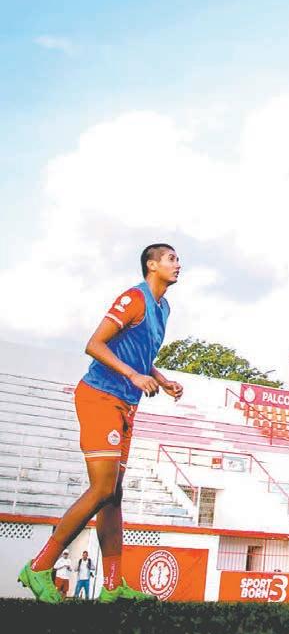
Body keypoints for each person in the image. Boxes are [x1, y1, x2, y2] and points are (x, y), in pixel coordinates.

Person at [18, 244, 184, 603]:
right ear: (151, 265)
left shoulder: (164, 308)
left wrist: (162, 379)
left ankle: (112, 585)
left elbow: (140, 356)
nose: (178, 264)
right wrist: (133, 375)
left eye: (177, 259)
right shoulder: (134, 298)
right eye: (171, 258)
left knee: (114, 496)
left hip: (127, 404)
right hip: (100, 397)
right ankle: (40, 566)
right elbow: (94, 344)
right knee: (102, 489)